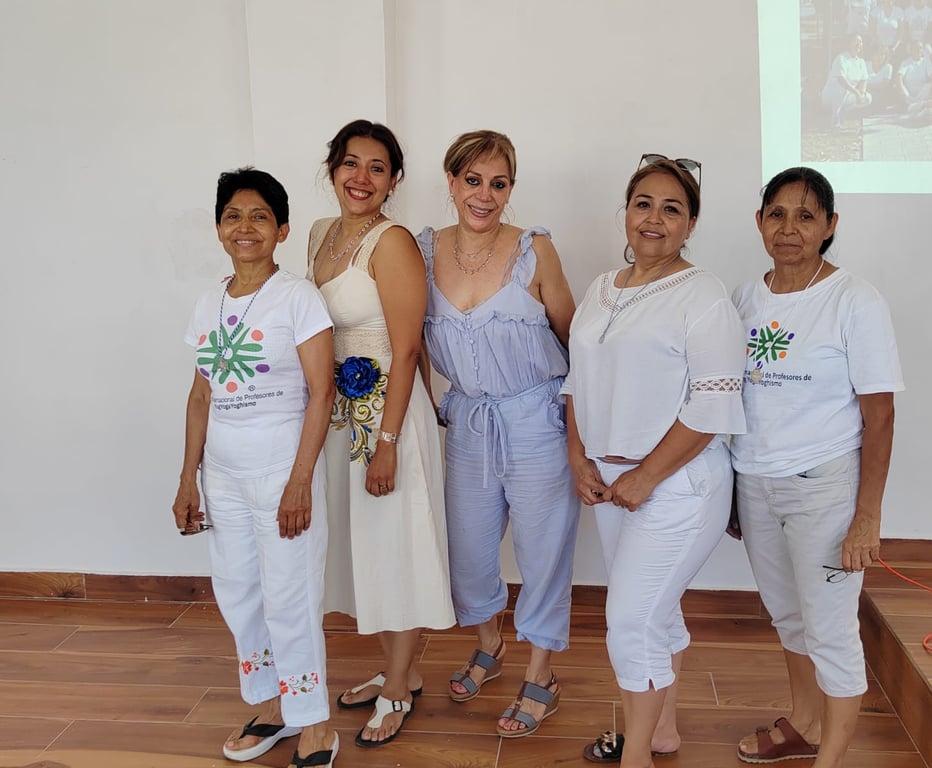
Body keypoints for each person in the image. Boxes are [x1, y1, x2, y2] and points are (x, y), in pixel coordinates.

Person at [567, 155, 746, 768]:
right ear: (625, 212)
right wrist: (579, 457)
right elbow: (574, 383)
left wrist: (646, 475)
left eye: (672, 208)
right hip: (612, 483)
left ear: (690, 224)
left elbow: (714, 403)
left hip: (678, 486)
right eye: (643, 203)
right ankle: (662, 731)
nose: (654, 218)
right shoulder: (599, 288)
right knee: (653, 609)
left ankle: (636, 755)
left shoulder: (704, 295)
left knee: (629, 620)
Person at [730, 167, 903, 767]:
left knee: (830, 629)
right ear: (758, 222)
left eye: (806, 216)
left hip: (823, 488)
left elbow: (879, 417)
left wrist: (866, 518)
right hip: (754, 483)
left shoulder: (855, 300)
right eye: (776, 214)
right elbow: (737, 398)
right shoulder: (745, 298)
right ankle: (803, 723)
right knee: (788, 616)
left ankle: (829, 760)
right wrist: (732, 490)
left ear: (830, 226)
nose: (789, 229)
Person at [173, 168, 338, 768]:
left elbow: (322, 393)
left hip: (280, 473)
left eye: (260, 217)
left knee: (290, 595)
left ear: (282, 230)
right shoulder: (208, 301)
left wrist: (299, 482)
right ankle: (272, 708)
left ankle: (315, 723)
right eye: (234, 216)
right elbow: (200, 397)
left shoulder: (297, 297)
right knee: (240, 593)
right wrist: (188, 478)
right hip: (223, 475)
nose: (245, 228)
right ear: (219, 228)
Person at [416, 130, 579, 738]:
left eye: (499, 183)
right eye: (473, 180)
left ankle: (542, 674)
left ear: (512, 188)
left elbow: (572, 337)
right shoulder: (425, 249)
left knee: (543, 552)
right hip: (467, 420)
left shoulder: (536, 249)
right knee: (470, 553)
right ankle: (492, 642)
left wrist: (575, 426)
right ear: (452, 180)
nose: (485, 195)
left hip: (535, 417)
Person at [307, 119, 455, 747]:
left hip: (388, 413)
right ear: (332, 168)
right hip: (342, 409)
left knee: (397, 542)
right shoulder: (319, 234)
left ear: (394, 180)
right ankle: (404, 668)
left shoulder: (391, 243)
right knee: (366, 543)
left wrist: (389, 443)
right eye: (350, 163)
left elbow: (407, 346)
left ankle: (398, 686)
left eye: (376, 167)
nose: (360, 178)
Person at [821, 34, 872, 128]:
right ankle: (835, 117)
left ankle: (843, 112)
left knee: (868, 98)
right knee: (841, 88)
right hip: (831, 96)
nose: (859, 44)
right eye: (856, 41)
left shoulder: (861, 62)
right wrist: (856, 92)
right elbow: (841, 80)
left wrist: (861, 93)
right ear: (849, 43)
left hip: (847, 96)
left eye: (860, 41)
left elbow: (863, 80)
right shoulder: (841, 58)